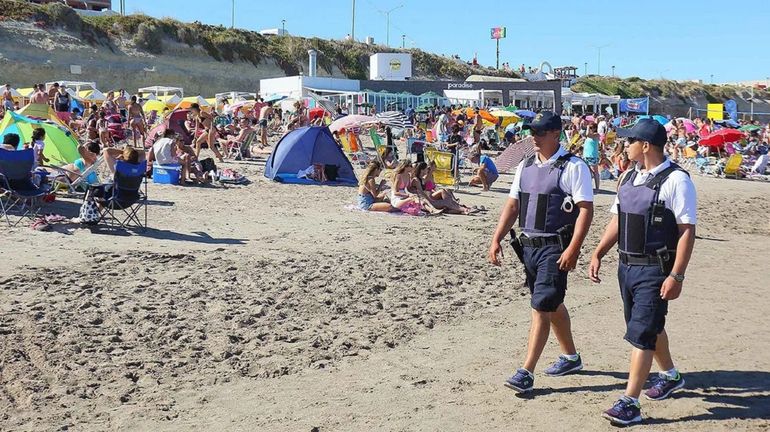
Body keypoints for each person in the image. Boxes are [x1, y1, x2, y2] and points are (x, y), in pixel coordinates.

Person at [589, 118, 696, 426]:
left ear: (645, 145)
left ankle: (630, 402)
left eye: (630, 141)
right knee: (648, 327)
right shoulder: (628, 177)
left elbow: (687, 230)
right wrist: (599, 252)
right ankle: (671, 376)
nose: (625, 145)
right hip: (627, 267)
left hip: (656, 270)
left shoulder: (677, 180)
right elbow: (618, 220)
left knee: (641, 334)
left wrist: (677, 275)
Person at [487, 111, 594, 394]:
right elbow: (513, 205)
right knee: (550, 302)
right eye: (532, 132)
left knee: (541, 306)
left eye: (540, 132)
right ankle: (571, 357)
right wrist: (496, 238)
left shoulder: (573, 167)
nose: (533, 137)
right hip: (529, 247)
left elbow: (586, 210)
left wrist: (574, 248)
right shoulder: (526, 166)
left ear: (555, 134)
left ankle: (526, 371)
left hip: (555, 248)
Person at [583, 124, 601, 191]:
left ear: (594, 128)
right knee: (588, 172)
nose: (590, 129)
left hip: (592, 156)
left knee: (595, 172)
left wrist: (587, 126)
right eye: (589, 128)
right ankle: (589, 186)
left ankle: (597, 188)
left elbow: (587, 134)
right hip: (586, 155)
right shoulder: (589, 136)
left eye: (591, 128)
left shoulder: (596, 135)